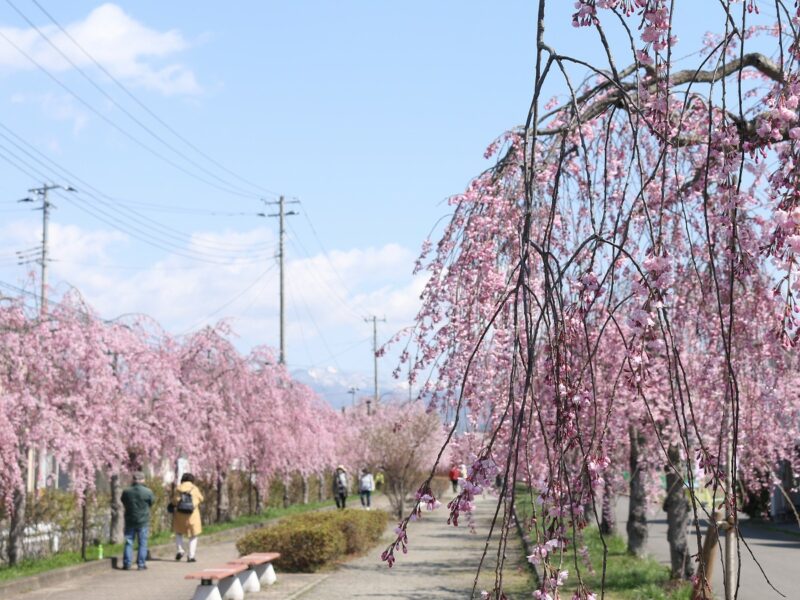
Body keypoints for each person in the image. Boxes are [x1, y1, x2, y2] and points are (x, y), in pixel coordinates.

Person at [120, 471, 154, 571]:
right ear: (143, 480)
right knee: (142, 543)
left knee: (129, 542)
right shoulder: (148, 491)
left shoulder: (126, 491)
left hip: (130, 519)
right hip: (143, 520)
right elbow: (151, 502)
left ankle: (127, 564)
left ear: (133, 480)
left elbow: (123, 501)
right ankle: (141, 564)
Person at [172, 473, 204, 562]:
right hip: (192, 515)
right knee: (193, 535)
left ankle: (180, 550)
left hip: (180, 514)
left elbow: (174, 501)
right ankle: (191, 556)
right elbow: (201, 499)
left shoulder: (178, 489)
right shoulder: (195, 489)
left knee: (178, 533)